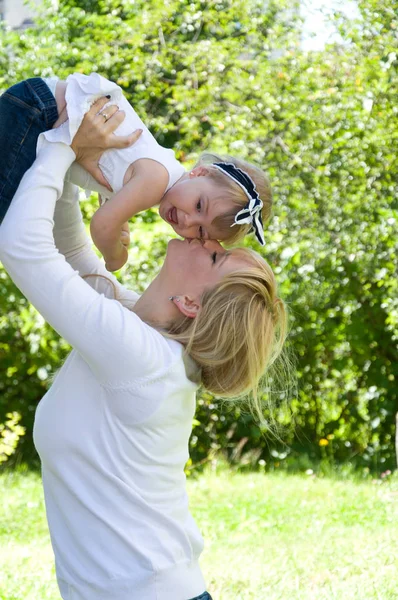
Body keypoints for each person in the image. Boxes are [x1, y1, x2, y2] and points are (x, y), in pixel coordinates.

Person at [0, 98, 288, 600]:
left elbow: (23, 248)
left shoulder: (140, 358)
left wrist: (58, 146)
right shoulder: (144, 338)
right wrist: (79, 154)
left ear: (191, 304)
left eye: (216, 256)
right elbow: (70, 253)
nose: (203, 239)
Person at [0, 74, 272, 271]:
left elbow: (112, 171)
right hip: (38, 113)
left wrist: (115, 205)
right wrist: (115, 257)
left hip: (36, 105)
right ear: (200, 172)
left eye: (201, 231)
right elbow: (102, 225)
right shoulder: (157, 180)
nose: (187, 221)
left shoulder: (161, 176)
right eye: (199, 205)